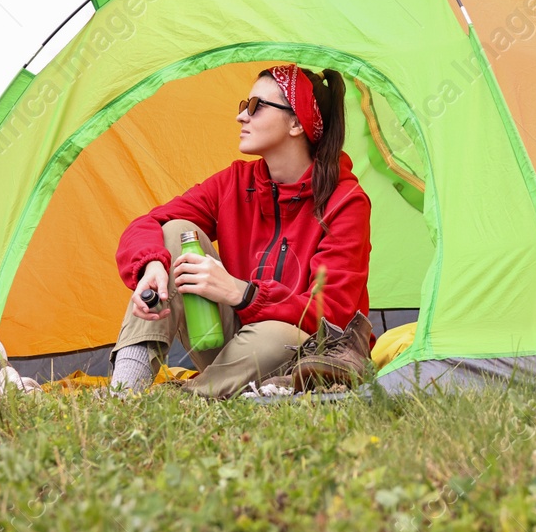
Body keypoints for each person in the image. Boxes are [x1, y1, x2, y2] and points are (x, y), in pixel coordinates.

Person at [108, 64, 375, 398]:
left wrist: (242, 293)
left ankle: (185, 398)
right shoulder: (234, 183)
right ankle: (123, 390)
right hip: (231, 347)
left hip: (304, 351)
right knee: (175, 231)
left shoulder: (345, 201)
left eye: (255, 106)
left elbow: (330, 314)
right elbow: (146, 224)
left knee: (278, 335)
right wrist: (152, 266)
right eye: (242, 106)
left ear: (296, 122)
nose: (241, 117)